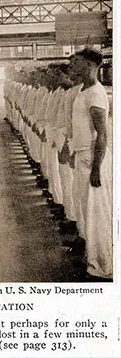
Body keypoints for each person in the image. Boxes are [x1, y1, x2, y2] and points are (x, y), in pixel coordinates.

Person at [68, 48, 112, 281]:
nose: (72, 67)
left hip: (92, 160)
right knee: (85, 211)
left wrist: (96, 168)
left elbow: (102, 134)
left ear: (90, 66)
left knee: (97, 215)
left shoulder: (95, 93)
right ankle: (92, 259)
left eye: (77, 63)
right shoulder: (82, 91)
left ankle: (103, 268)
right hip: (82, 156)